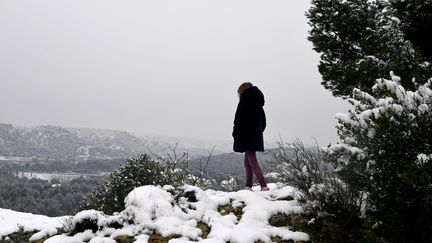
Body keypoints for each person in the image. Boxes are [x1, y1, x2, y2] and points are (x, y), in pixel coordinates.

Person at [232, 82, 269, 191]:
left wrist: (236, 133)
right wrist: (257, 132)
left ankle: (264, 186)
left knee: (252, 161)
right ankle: (248, 186)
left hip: (246, 135)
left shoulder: (244, 102)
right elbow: (263, 122)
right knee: (248, 161)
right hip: (254, 135)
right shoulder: (258, 104)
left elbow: (239, 120)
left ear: (242, 91)